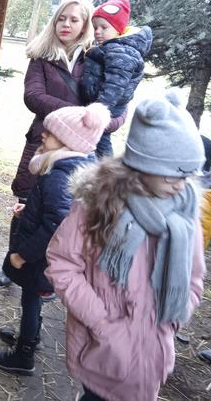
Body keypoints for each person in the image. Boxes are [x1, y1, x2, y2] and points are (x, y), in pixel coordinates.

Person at [46, 91, 207, 401]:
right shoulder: (99, 207)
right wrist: (103, 323)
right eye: (173, 173)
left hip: (155, 352)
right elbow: (62, 264)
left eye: (188, 174)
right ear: (142, 164)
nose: (181, 185)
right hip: (105, 352)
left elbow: (194, 277)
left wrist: (176, 315)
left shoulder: (184, 215)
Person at [0, 0, 125, 287]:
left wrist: (100, 121)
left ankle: (48, 275)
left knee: (64, 213)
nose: (66, 25)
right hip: (44, 142)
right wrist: (81, 115)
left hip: (81, 152)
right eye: (61, 19)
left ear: (85, 26)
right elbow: (33, 96)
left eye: (74, 20)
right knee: (25, 206)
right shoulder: (42, 58)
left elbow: (118, 111)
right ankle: (11, 264)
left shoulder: (99, 57)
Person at [0, 102, 111, 376]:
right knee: (33, 297)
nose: (43, 134)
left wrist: (23, 254)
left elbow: (56, 223)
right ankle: (30, 336)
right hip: (47, 255)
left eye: (51, 133)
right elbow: (51, 206)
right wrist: (27, 206)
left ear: (68, 142)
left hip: (41, 257)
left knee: (31, 298)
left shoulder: (61, 175)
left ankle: (24, 354)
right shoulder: (73, 166)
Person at [80, 0, 153, 157]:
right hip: (104, 103)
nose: (98, 31)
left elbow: (115, 84)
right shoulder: (113, 47)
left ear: (119, 28)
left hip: (107, 106)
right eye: (95, 27)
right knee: (96, 141)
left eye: (104, 27)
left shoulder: (122, 52)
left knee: (100, 141)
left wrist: (100, 108)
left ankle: (107, 172)